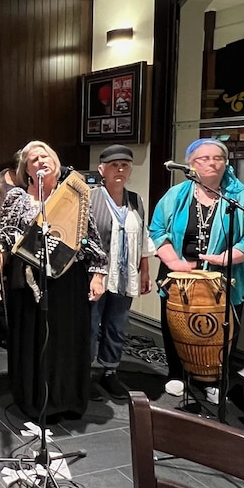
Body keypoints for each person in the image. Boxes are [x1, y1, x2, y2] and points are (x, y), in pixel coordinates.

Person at [0, 140, 107, 421]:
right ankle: (36, 400)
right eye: (33, 159)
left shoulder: (75, 195)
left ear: (55, 160)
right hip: (30, 281)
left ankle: (67, 399)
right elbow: (3, 238)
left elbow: (91, 239)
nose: (40, 161)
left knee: (66, 339)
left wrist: (98, 274)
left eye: (45, 156)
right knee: (35, 338)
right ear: (27, 169)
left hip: (69, 280)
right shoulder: (18, 198)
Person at [149, 138, 244, 400]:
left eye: (217, 157)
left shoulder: (241, 197)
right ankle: (176, 374)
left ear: (226, 163)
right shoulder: (175, 195)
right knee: (175, 326)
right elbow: (157, 230)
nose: (211, 162)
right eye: (203, 158)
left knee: (221, 331)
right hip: (179, 274)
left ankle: (216, 379)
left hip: (224, 276)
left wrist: (226, 258)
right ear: (191, 165)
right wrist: (173, 262)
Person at [89, 145, 154, 401]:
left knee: (117, 325)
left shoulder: (135, 200)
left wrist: (145, 271)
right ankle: (84, 373)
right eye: (114, 165)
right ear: (101, 169)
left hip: (126, 275)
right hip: (96, 276)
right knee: (91, 325)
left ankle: (109, 372)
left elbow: (143, 237)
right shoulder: (90, 198)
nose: (120, 169)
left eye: (125, 165)